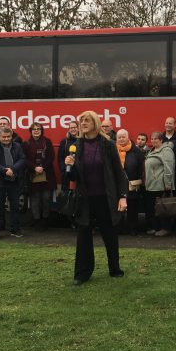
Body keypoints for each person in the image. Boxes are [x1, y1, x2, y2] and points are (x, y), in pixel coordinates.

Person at [64, 110, 128, 283]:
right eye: (81, 121)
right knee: (83, 235)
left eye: (87, 120)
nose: (83, 123)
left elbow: (119, 173)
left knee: (110, 234)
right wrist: (69, 167)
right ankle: (82, 274)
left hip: (105, 198)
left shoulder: (108, 145)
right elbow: (73, 177)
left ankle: (114, 268)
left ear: (95, 123)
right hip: (85, 199)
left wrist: (122, 196)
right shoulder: (76, 145)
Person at [0, 127, 26, 240]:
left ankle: (15, 229)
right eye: (4, 137)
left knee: (15, 206)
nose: (6, 139)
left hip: (14, 180)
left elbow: (22, 159)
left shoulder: (17, 146)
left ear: (11, 136)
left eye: (8, 137)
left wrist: (13, 169)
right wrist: (4, 170)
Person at [23, 122, 56, 231]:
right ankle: (37, 221)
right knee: (35, 199)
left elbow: (51, 156)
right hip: (33, 175)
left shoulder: (47, 142)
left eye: (38, 129)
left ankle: (45, 220)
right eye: (34, 129)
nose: (36, 131)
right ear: (31, 131)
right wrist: (34, 168)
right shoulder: (26, 143)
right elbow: (24, 159)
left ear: (41, 131)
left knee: (46, 198)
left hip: (47, 175)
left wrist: (42, 167)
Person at [144, 131, 176, 237]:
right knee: (154, 208)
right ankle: (157, 227)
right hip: (151, 185)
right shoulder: (152, 150)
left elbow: (169, 167)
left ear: (161, 140)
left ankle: (165, 228)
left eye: (156, 139)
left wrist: (168, 183)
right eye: (152, 139)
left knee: (163, 207)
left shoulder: (166, 150)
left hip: (161, 185)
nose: (153, 141)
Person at [116, 129, 144, 236]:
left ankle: (132, 228)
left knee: (133, 207)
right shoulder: (113, 150)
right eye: (119, 137)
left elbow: (141, 168)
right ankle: (119, 228)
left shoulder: (136, 151)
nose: (121, 139)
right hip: (117, 184)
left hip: (132, 183)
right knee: (118, 207)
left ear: (128, 137)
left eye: (123, 137)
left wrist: (139, 180)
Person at [58, 121, 80, 185]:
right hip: (67, 172)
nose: (73, 129)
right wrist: (63, 169)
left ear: (78, 128)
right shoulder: (64, 141)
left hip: (79, 172)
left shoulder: (82, 140)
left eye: (74, 127)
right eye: (71, 128)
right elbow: (60, 157)